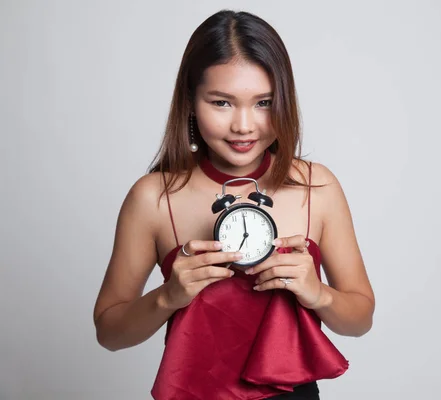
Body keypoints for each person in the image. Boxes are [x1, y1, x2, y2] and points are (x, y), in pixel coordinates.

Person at [93, 9, 375, 400]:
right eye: (222, 103)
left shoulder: (317, 186)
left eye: (264, 103)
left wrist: (317, 293)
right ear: (190, 101)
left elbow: (360, 320)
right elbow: (109, 333)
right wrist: (167, 297)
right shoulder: (153, 198)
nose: (244, 125)